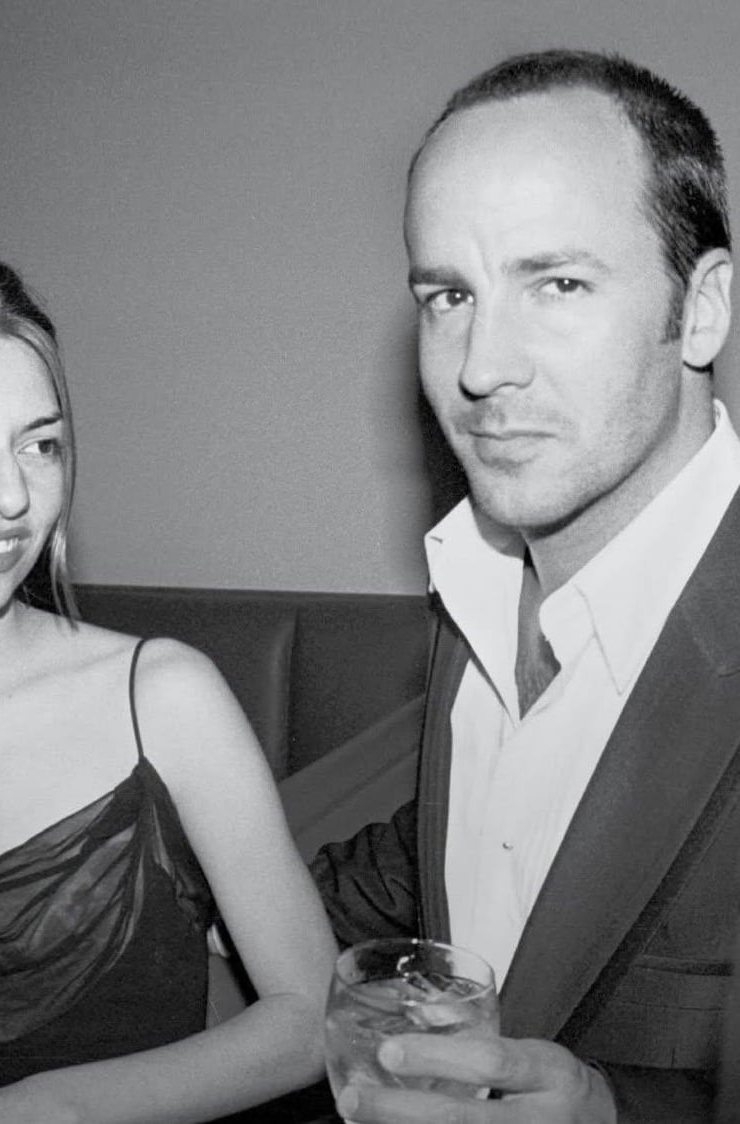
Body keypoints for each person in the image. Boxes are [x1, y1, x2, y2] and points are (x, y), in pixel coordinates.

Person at [0, 241, 337, 1123]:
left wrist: (39, 1112)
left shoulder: (163, 698)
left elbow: (311, 1021)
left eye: (40, 445)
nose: (12, 495)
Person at [312, 49, 740, 1123]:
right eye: (449, 295)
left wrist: (608, 1111)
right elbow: (454, 863)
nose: (480, 366)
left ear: (702, 309)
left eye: (558, 284)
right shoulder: (477, 586)